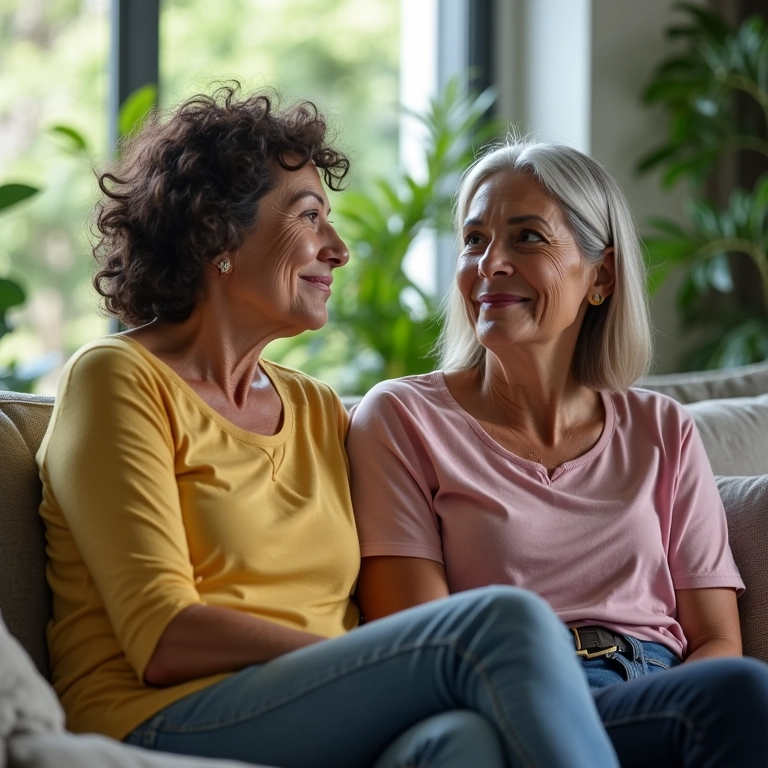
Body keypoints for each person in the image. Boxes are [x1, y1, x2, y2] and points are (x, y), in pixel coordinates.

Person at [36, 86, 623, 768]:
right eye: (310, 217)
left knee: (466, 743)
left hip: (320, 709)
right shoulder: (118, 379)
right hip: (160, 718)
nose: (338, 249)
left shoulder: (316, 408)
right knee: (503, 622)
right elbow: (162, 635)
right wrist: (374, 661)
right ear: (217, 232)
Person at [347, 138, 768, 766]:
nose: (490, 263)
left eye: (527, 238)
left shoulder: (662, 429)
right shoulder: (404, 418)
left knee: (739, 688)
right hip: (507, 693)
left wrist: (659, 705)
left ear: (600, 275)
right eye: (473, 240)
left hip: (655, 691)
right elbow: (419, 645)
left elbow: (716, 638)